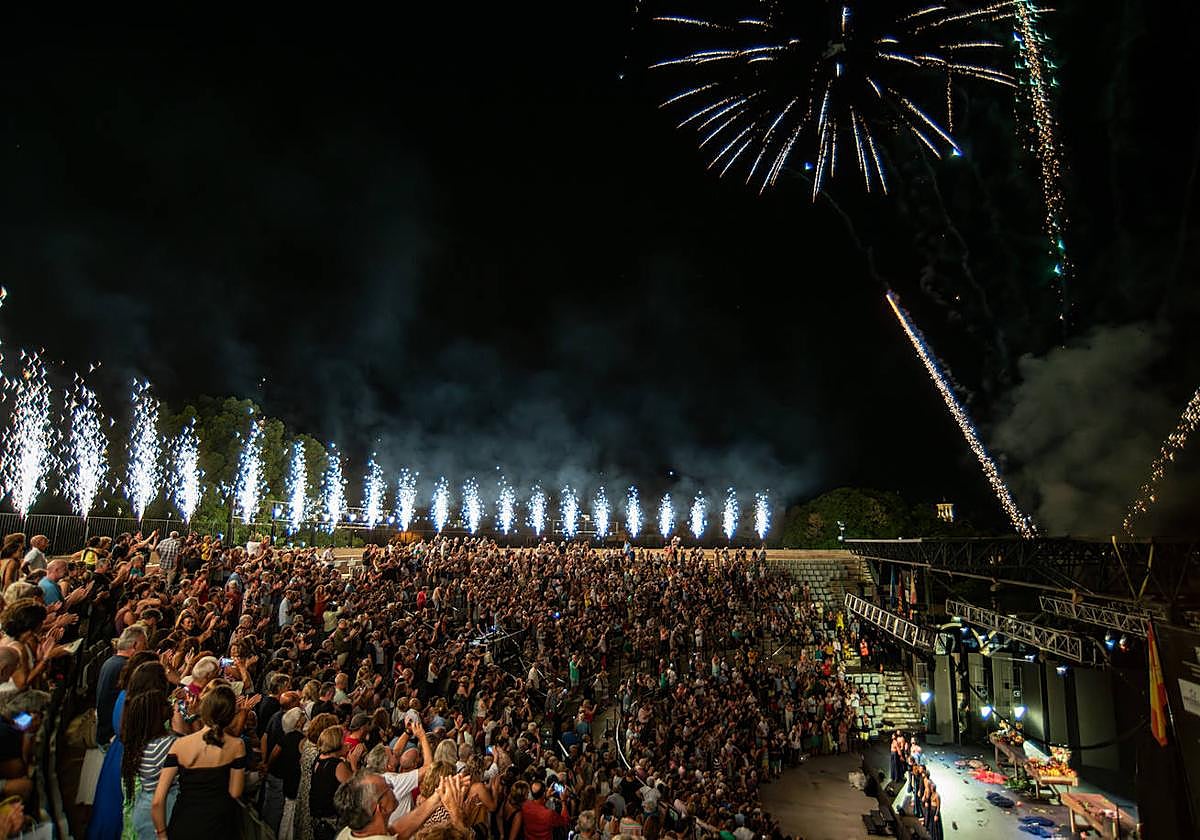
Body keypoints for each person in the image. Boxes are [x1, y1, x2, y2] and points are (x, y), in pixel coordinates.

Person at [152, 685, 247, 839]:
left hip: (185, 821)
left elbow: (157, 800)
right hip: (221, 825)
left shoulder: (180, 745)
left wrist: (162, 834)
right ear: (229, 716)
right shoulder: (237, 746)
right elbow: (235, 792)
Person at [97, 626, 149, 747]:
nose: (146, 647)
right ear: (135, 645)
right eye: (144, 643)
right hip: (113, 736)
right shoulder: (125, 667)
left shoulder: (111, 661)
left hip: (106, 730)